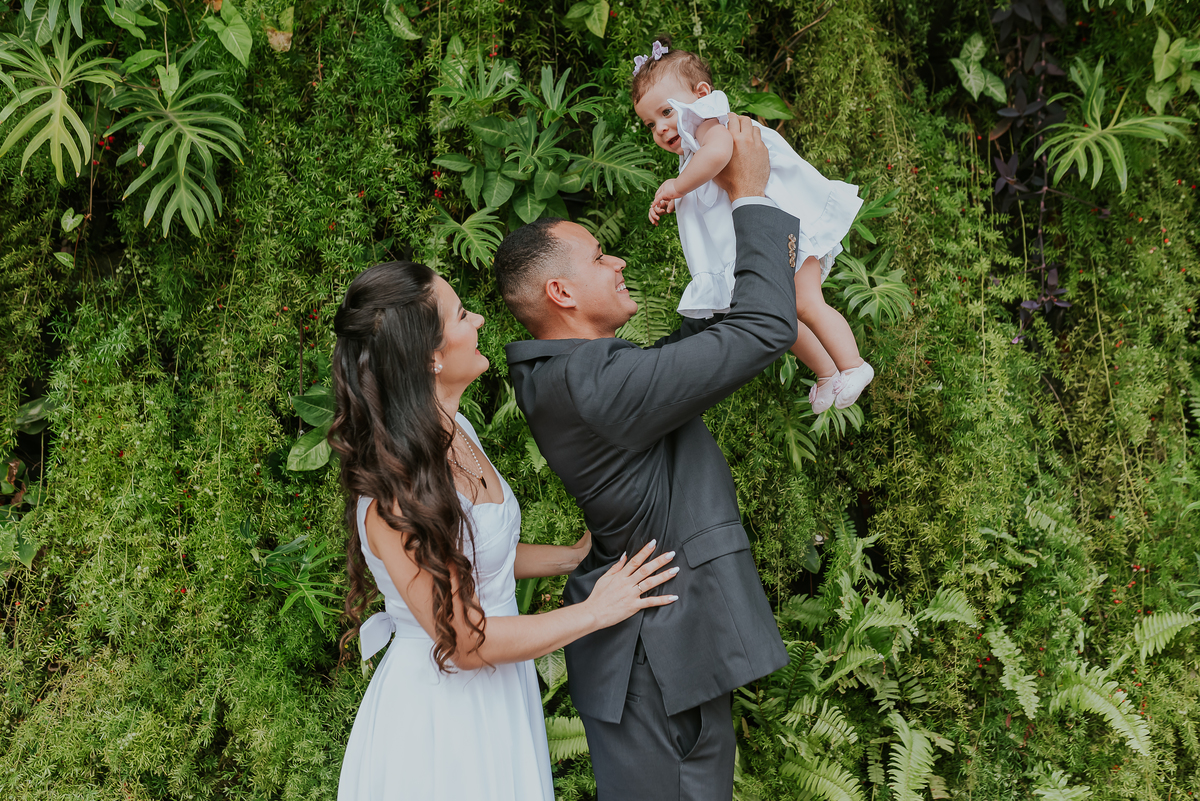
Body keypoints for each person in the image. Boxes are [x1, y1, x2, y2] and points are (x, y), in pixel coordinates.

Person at [494, 113, 791, 800]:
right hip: (659, 656)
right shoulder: (595, 383)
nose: (618, 260)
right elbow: (764, 331)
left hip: (655, 651)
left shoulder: (572, 375)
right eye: (600, 257)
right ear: (561, 293)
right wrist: (749, 196)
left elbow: (695, 353)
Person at [330, 261, 680, 800]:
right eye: (463, 315)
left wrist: (575, 556)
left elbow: (478, 555)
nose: (480, 323)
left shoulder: (455, 428)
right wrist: (596, 611)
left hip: (498, 691)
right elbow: (466, 639)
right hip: (443, 717)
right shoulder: (394, 493)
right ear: (429, 355)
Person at [634, 34, 875, 412]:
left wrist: (676, 186)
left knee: (807, 302)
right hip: (764, 242)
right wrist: (676, 191)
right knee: (782, 315)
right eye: (650, 124)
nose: (661, 129)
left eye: (666, 113)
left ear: (701, 93)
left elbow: (721, 152)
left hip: (784, 228)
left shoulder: (707, 122)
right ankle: (828, 373)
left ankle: (854, 365)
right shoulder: (691, 151)